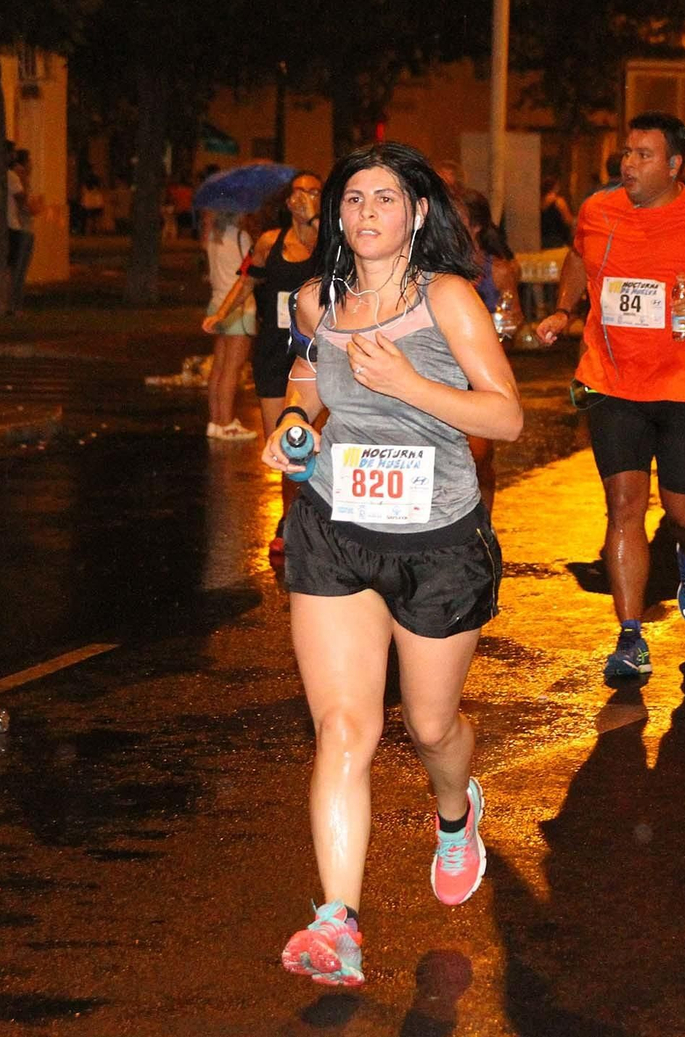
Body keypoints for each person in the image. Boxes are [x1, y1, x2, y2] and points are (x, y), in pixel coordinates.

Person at [263, 142, 521, 986]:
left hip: (437, 537)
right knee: (344, 727)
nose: (366, 212)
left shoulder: (447, 299)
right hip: (336, 527)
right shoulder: (317, 299)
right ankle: (336, 921)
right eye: (353, 200)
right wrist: (297, 423)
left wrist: (410, 382)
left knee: (431, 725)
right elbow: (309, 372)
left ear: (416, 214)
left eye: (385, 198)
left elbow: (507, 417)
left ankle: (457, 810)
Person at [534, 111, 685, 679]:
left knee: (683, 512)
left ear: (674, 164)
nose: (628, 164)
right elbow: (580, 256)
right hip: (611, 380)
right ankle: (629, 637)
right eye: (626, 153)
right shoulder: (597, 210)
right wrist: (566, 309)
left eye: (642, 155)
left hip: (683, 386)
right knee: (624, 507)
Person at [205, 171, 323, 558]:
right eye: (298, 192)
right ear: (287, 200)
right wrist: (221, 315)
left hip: (315, 354)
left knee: (318, 439)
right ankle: (290, 516)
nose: (304, 198)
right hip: (274, 351)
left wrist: (316, 224)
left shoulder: (329, 243)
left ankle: (313, 518)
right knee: (288, 442)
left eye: (313, 192)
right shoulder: (269, 241)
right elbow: (246, 283)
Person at [462, 187, 523, 512]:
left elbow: (513, 319)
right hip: (440, 371)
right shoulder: (432, 268)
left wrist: (505, 328)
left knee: (479, 456)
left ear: (475, 226)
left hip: (478, 374)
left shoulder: (496, 270)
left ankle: (482, 525)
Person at [198, 208, 258, 440]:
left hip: (216, 304)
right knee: (233, 369)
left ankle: (215, 421)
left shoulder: (213, 237)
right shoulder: (242, 238)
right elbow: (250, 273)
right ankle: (227, 423)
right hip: (239, 309)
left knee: (219, 367)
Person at [6, 148, 43, 315]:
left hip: (17, 227)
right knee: (18, 270)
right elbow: (26, 205)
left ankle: (13, 305)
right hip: (19, 228)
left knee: (16, 270)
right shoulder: (14, 177)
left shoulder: (12, 177)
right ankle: (14, 306)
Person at [540, 177, 575, 248]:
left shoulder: (540, 202)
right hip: (557, 239)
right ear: (555, 187)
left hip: (542, 239)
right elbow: (568, 220)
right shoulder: (558, 201)